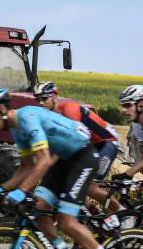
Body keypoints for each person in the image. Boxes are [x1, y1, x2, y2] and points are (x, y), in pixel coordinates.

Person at [0, 87, 119, 249]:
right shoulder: (15, 129)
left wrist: (21, 191)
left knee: (66, 220)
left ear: (1, 108)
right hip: (63, 160)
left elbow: (42, 162)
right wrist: (1, 189)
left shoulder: (27, 118)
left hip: (82, 157)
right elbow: (25, 167)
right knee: (39, 209)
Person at [34, 82, 122, 217]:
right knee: (76, 178)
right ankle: (91, 215)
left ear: (54, 96)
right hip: (91, 145)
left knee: (88, 184)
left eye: (44, 99)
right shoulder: (53, 115)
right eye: (38, 99)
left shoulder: (69, 110)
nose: (41, 103)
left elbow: (78, 140)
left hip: (106, 144)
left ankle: (122, 212)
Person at [118, 85, 143, 179]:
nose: (123, 110)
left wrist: (128, 173)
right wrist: (127, 174)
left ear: (141, 105)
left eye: (127, 105)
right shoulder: (136, 125)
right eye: (122, 106)